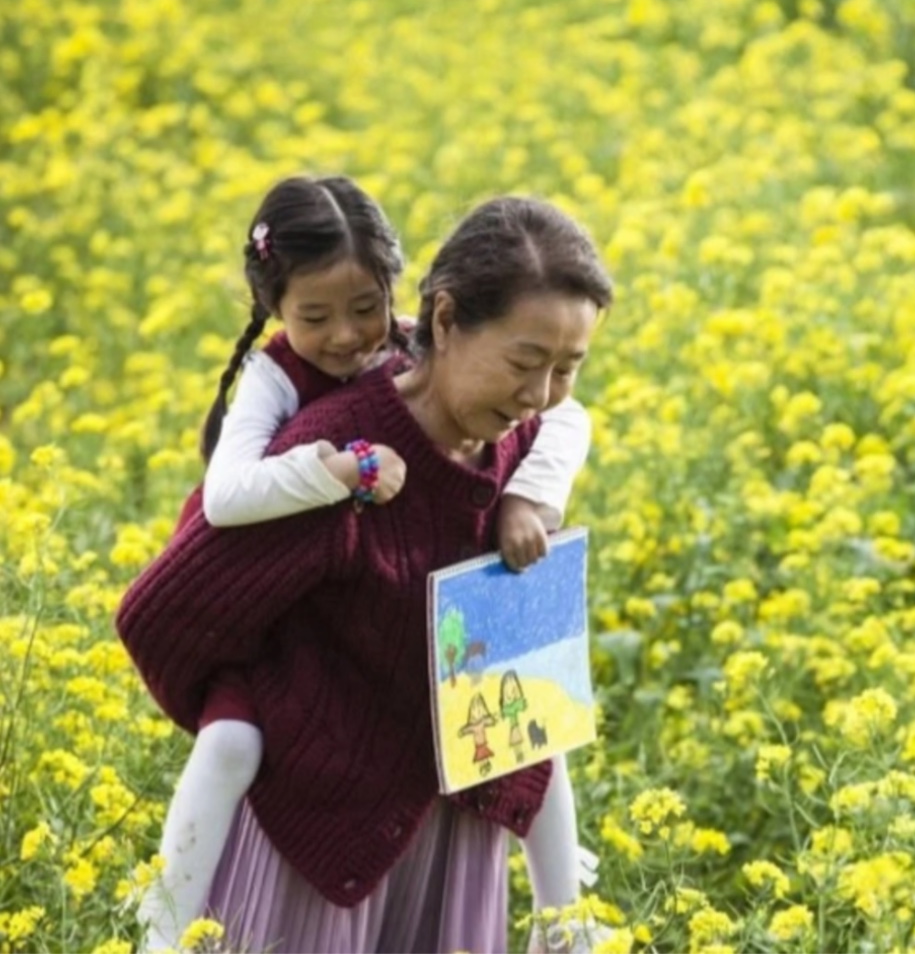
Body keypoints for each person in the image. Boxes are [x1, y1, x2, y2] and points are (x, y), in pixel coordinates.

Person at [124, 189, 610, 953]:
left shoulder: (519, 444)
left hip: (454, 824)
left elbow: (532, 697)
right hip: (323, 833)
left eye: (566, 369)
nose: (538, 395)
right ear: (444, 320)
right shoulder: (337, 453)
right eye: (524, 363)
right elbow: (165, 607)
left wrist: (531, 496)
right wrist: (252, 704)